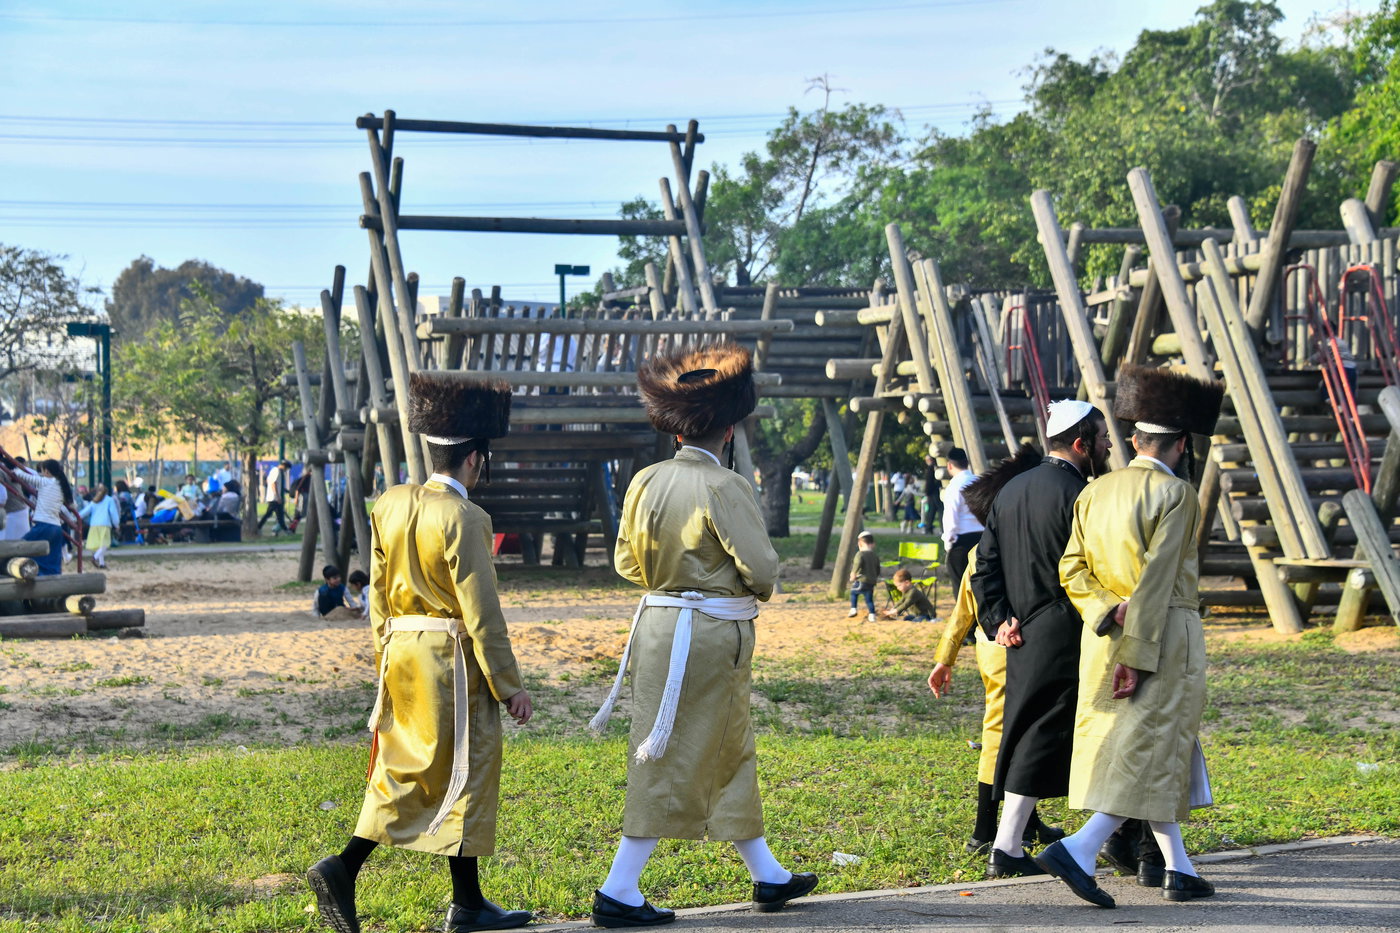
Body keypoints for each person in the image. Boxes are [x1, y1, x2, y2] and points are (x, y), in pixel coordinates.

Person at [587, 342, 816, 928]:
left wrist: (672, 581)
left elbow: (625, 564)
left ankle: (767, 875)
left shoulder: (642, 481)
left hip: (659, 623)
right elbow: (762, 571)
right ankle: (618, 887)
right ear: (731, 428)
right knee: (673, 752)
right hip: (711, 630)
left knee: (729, 747)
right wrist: (725, 588)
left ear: (675, 428)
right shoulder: (726, 486)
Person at [307, 372, 533, 933]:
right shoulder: (466, 518)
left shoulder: (391, 503)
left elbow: (379, 596)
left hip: (401, 653)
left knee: (404, 766)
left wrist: (387, 654)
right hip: (451, 659)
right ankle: (346, 866)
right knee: (467, 767)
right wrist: (510, 684)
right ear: (476, 459)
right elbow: (482, 614)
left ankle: (467, 901)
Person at [1036, 366, 1224, 909]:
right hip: (1162, 636)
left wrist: (1106, 612)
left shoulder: (1096, 491)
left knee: (1153, 745)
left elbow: (1070, 567)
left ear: (1136, 439)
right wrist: (1138, 651)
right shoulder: (1177, 493)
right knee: (1151, 746)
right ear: (1182, 443)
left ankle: (1178, 867)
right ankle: (1081, 846)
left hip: (1104, 636)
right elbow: (1159, 581)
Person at [970, 399, 1112, 879]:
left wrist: (999, 619)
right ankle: (1010, 848)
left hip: (1022, 632)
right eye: (1102, 436)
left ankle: (1014, 844)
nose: (1109, 444)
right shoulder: (1084, 495)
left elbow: (983, 564)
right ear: (1081, 443)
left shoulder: (1011, 491)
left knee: (1026, 728)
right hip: (1070, 628)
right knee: (1051, 734)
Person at [927, 445, 1057, 855]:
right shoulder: (1006, 546)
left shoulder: (981, 547)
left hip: (990, 647)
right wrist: (943, 660)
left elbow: (959, 613)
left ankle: (1027, 822)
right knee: (1001, 735)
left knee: (1020, 735)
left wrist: (944, 659)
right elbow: (967, 608)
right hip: (1005, 650)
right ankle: (984, 830)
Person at [9, 458, 74, 576]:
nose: (41, 474)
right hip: (57, 528)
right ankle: (55, 583)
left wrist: (15, 472)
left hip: (44, 525)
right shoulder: (61, 485)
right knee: (52, 559)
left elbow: (28, 477)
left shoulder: (45, 481)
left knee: (21, 546)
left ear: (47, 472)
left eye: (42, 471)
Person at [940, 447, 983, 587]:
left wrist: (949, 543)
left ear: (949, 465)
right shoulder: (981, 482)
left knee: (961, 588)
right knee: (982, 585)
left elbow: (950, 519)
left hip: (962, 542)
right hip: (983, 540)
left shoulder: (954, 487)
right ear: (967, 463)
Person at [80, 483, 120, 569]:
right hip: (104, 524)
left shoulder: (94, 501)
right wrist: (116, 524)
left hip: (94, 525)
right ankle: (95, 557)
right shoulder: (109, 500)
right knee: (105, 544)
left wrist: (76, 517)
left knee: (99, 545)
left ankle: (102, 564)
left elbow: (85, 512)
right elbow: (113, 513)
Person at [846, 530, 879, 622]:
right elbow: (878, 568)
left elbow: (857, 565)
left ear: (860, 544)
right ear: (873, 544)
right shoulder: (874, 555)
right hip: (871, 581)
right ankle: (872, 615)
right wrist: (875, 577)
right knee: (869, 599)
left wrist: (853, 575)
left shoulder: (860, 554)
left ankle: (853, 609)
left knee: (853, 592)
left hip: (862, 580)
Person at [2, 456, 31, 541]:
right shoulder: (8, 468)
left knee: (10, 545)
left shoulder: (2, 470)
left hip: (12, 513)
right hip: (19, 509)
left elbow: (3, 496)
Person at [258, 460, 291, 535]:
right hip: (274, 498)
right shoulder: (276, 471)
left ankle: (286, 530)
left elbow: (269, 481)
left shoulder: (275, 471)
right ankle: (258, 527)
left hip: (274, 497)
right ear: (284, 466)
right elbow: (273, 483)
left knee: (280, 515)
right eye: (286, 469)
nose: (286, 470)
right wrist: (277, 496)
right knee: (269, 514)